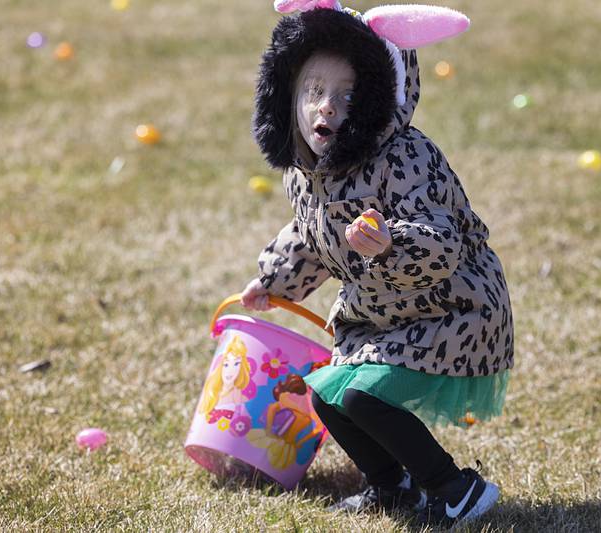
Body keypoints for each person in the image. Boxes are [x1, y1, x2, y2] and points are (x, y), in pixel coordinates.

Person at [239, 2, 514, 526]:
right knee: (328, 396)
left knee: (364, 397)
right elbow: (308, 238)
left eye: (347, 96)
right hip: (381, 312)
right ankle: (393, 486)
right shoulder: (305, 175)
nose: (326, 108)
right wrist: (271, 281)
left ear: (379, 103)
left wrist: (390, 244)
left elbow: (443, 243)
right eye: (314, 92)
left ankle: (456, 489)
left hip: (452, 307)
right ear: (288, 94)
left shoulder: (406, 157)